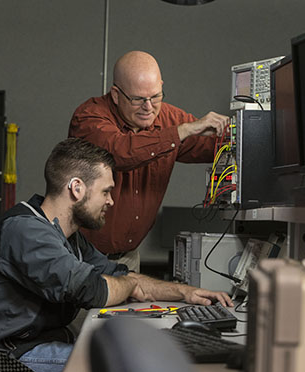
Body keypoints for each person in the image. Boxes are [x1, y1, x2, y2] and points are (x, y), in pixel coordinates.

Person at [0, 138, 233, 372]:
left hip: (35, 344)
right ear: (76, 188)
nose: (111, 201)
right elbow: (93, 289)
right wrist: (125, 284)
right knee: (128, 362)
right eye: (105, 191)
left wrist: (186, 292)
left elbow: (120, 276)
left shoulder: (67, 236)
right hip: (2, 358)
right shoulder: (27, 232)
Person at [69, 50, 230, 272]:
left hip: (129, 259)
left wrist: (249, 132)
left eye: (155, 96)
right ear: (116, 95)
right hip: (81, 258)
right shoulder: (89, 118)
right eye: (138, 99)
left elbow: (213, 146)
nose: (148, 107)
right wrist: (180, 132)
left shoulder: (168, 118)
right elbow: (120, 152)